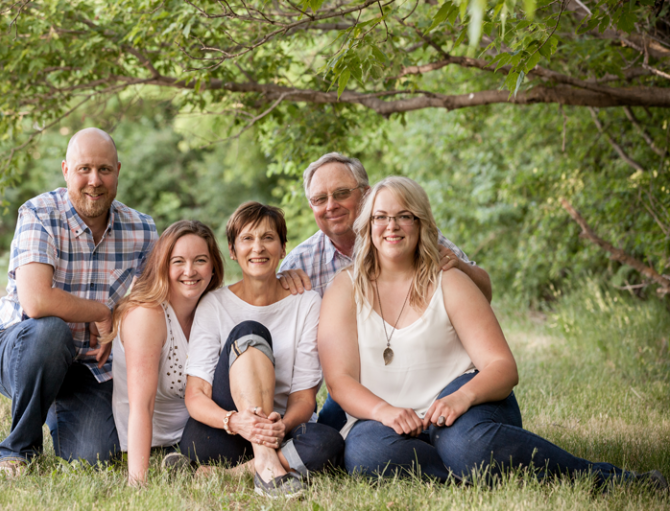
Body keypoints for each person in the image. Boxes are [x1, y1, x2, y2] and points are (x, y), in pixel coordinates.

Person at [317, 176, 668, 489]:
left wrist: (461, 398)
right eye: (381, 217)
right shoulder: (345, 289)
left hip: (468, 405)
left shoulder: (451, 281)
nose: (391, 226)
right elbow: (340, 380)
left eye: (403, 216)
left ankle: (607, 478)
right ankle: (473, 471)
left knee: (466, 444)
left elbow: (502, 366)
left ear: (421, 223)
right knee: (366, 453)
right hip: (389, 417)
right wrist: (383, 411)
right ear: (368, 225)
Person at [0, 128, 157, 476]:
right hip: (18, 347)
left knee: (95, 458)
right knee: (51, 332)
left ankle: (52, 398)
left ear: (118, 170)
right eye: (84, 168)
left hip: (88, 367)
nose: (94, 180)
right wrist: (103, 312)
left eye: (104, 169)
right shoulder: (39, 213)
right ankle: (18, 450)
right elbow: (37, 301)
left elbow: (156, 301)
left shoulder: (144, 231)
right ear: (65, 170)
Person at [278, 152, 492, 430]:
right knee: (335, 443)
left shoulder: (408, 234)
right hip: (356, 385)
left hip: (431, 377)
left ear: (366, 195)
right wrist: (278, 285)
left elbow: (483, 296)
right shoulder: (300, 264)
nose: (331, 205)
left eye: (342, 193)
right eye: (320, 199)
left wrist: (461, 267)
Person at [178, 202, 344, 499]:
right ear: (232, 250)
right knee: (250, 331)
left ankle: (233, 474)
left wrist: (282, 426)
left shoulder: (305, 304)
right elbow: (195, 396)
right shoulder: (213, 304)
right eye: (247, 239)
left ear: (283, 248)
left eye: (268, 238)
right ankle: (269, 465)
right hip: (224, 431)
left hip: (279, 430)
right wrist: (236, 421)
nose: (258, 248)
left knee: (326, 443)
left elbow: (305, 399)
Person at [104, 220, 224, 486]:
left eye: (200, 260)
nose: (190, 271)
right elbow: (141, 405)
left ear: (213, 266)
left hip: (197, 432)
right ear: (163, 266)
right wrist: (139, 481)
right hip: (159, 440)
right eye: (178, 261)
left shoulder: (212, 307)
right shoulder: (147, 315)